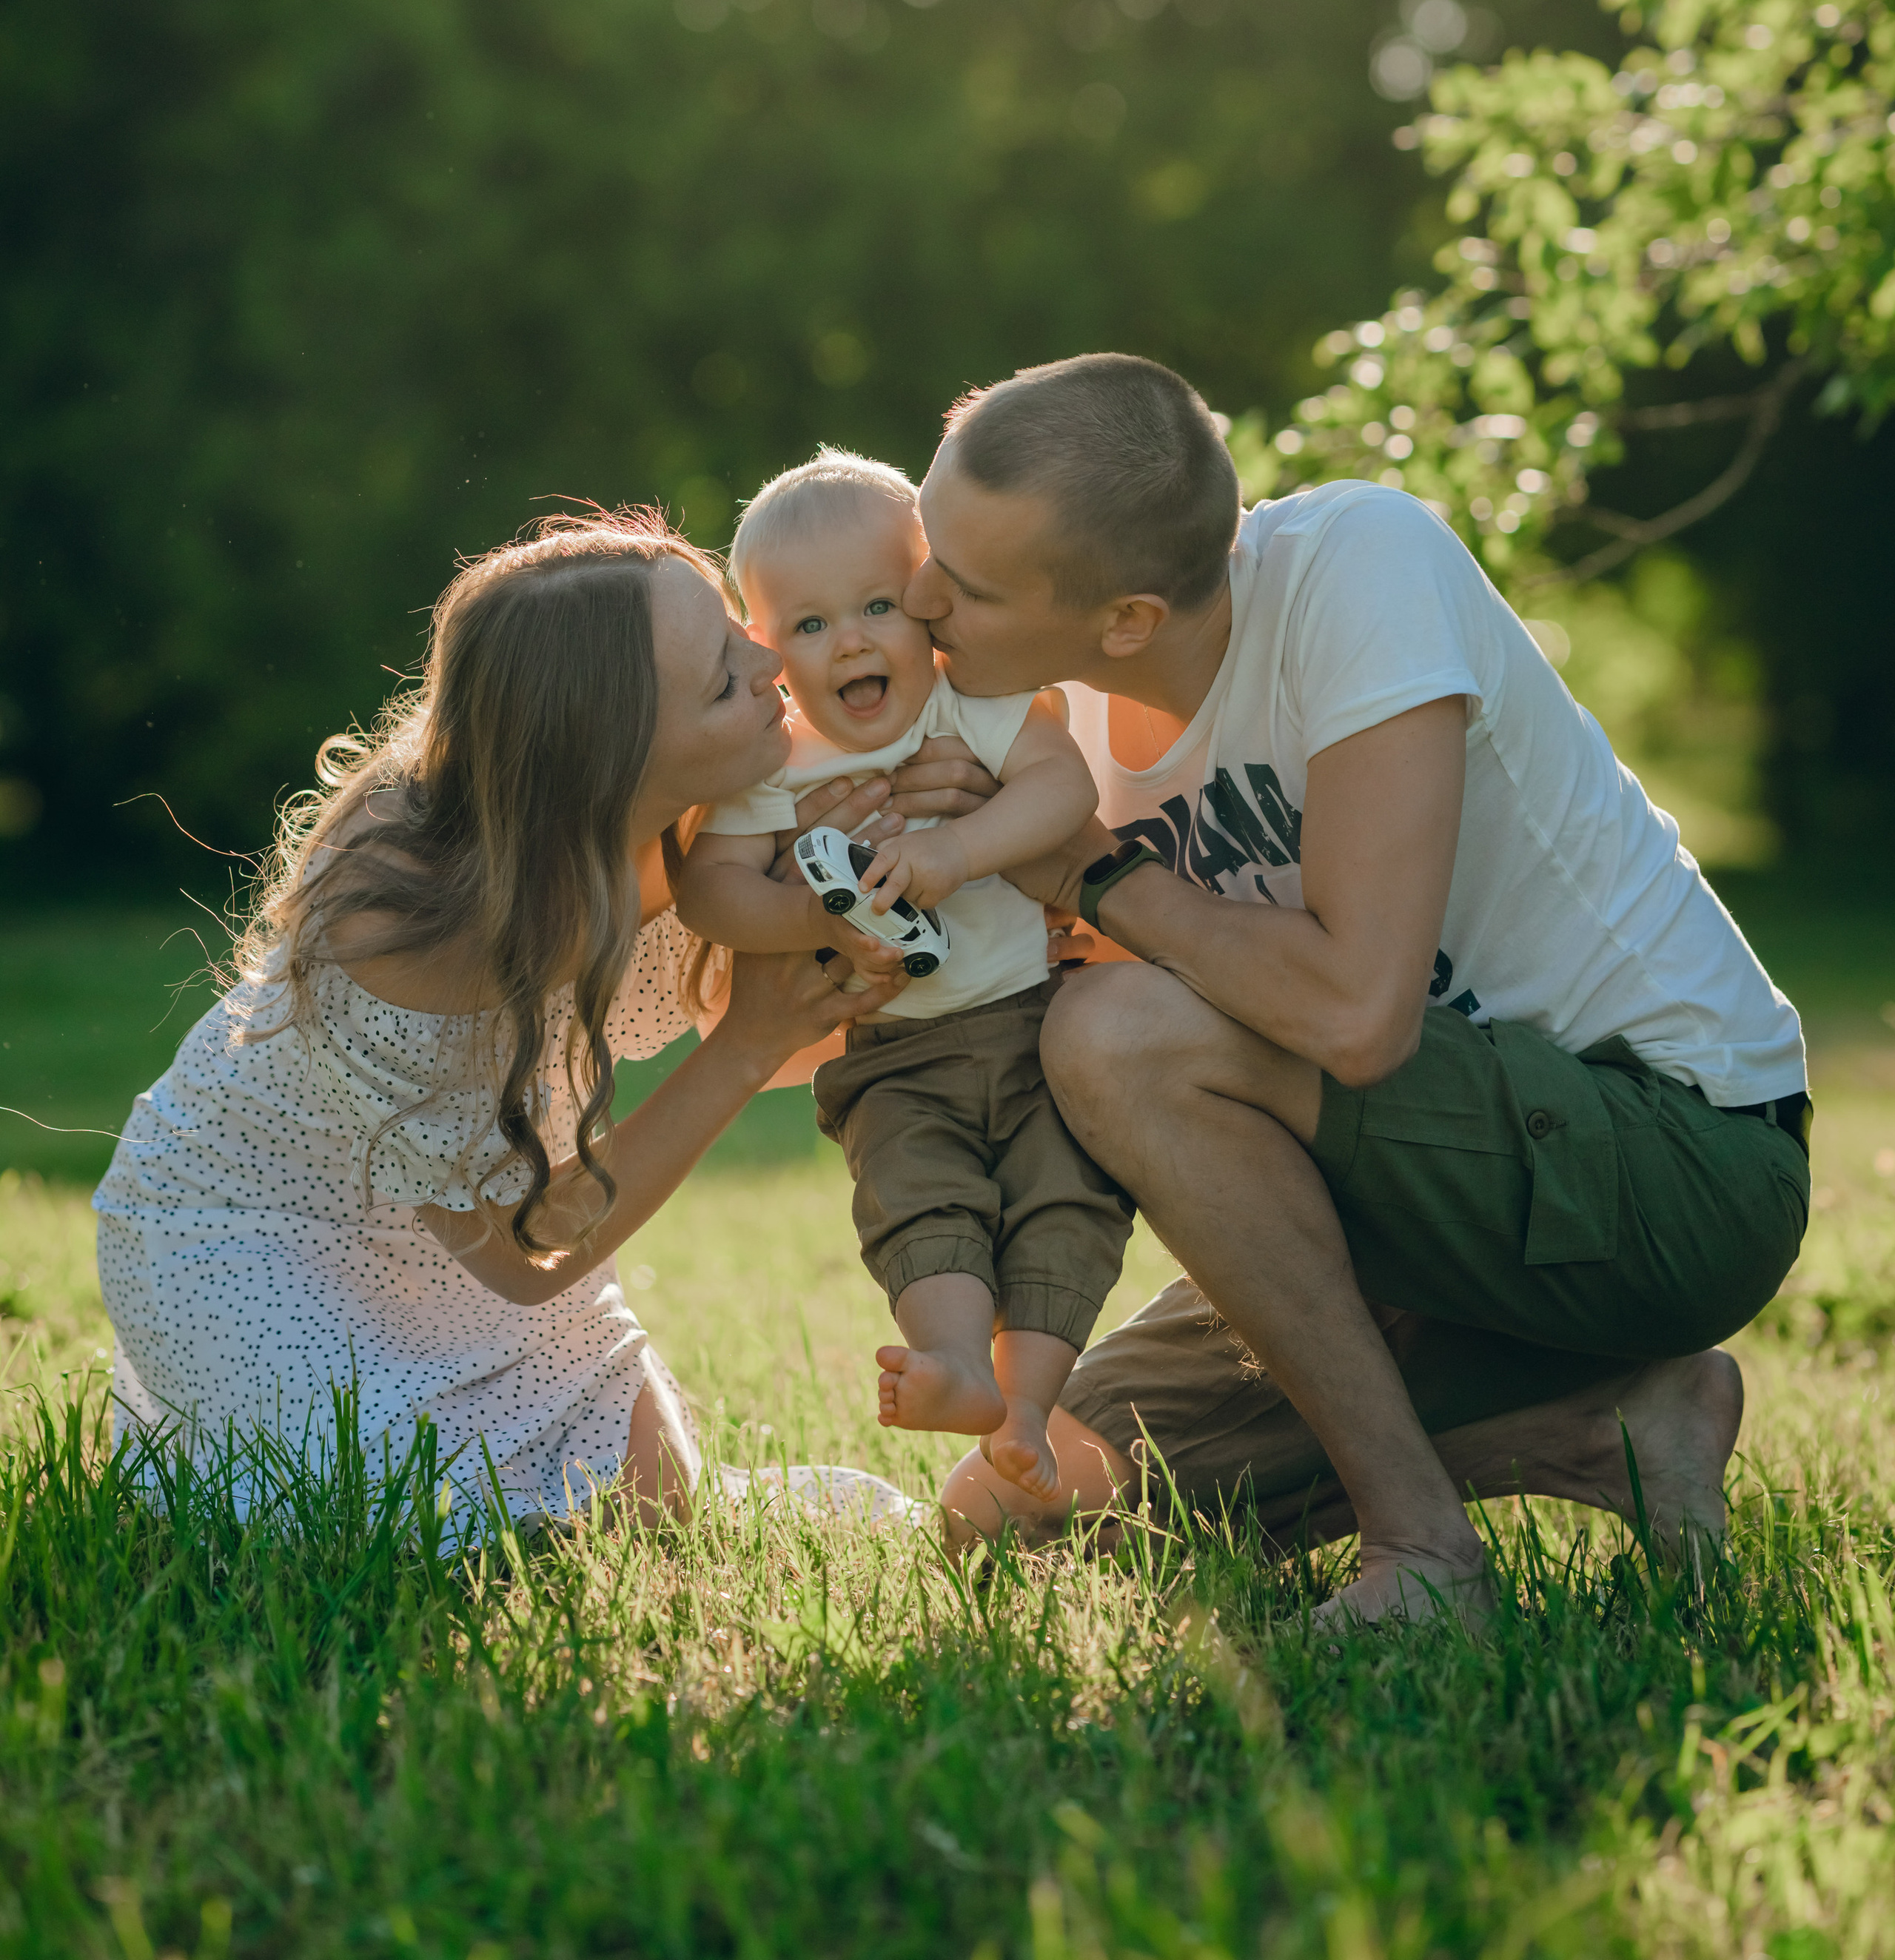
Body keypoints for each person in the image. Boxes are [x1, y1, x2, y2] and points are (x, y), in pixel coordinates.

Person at [798, 355, 1812, 1623]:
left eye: (971, 583)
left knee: (1114, 1033)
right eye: (930, 548)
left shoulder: (1357, 564)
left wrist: (1091, 875)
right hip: (1416, 1219)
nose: (926, 600)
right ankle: (1602, 1424)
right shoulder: (1056, 745)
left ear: (1125, 618)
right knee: (1009, 1511)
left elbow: (1355, 1015)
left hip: (1675, 1163)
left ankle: (1423, 1552)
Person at [93, 511, 911, 1528]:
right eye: (720, 677)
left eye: (738, 627)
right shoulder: (404, 918)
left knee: (664, 1503)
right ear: (608, 756)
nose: (769, 660)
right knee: (420, 1523)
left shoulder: (715, 797)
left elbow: (803, 1030)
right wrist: (748, 1045)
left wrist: (872, 897)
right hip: (258, 1236)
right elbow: (529, 1258)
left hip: (471, 1202)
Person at [674, 451, 1130, 1500]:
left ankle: (1028, 1413)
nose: (854, 641)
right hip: (896, 1052)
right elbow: (710, 891)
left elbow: (1061, 789)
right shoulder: (776, 765)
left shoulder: (970, 707)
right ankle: (957, 1365)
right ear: (769, 649)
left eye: (880, 604)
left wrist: (958, 853)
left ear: (930, 607)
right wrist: (808, 915)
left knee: (1071, 1199)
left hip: (1036, 1027)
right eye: (812, 624)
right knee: (918, 1203)